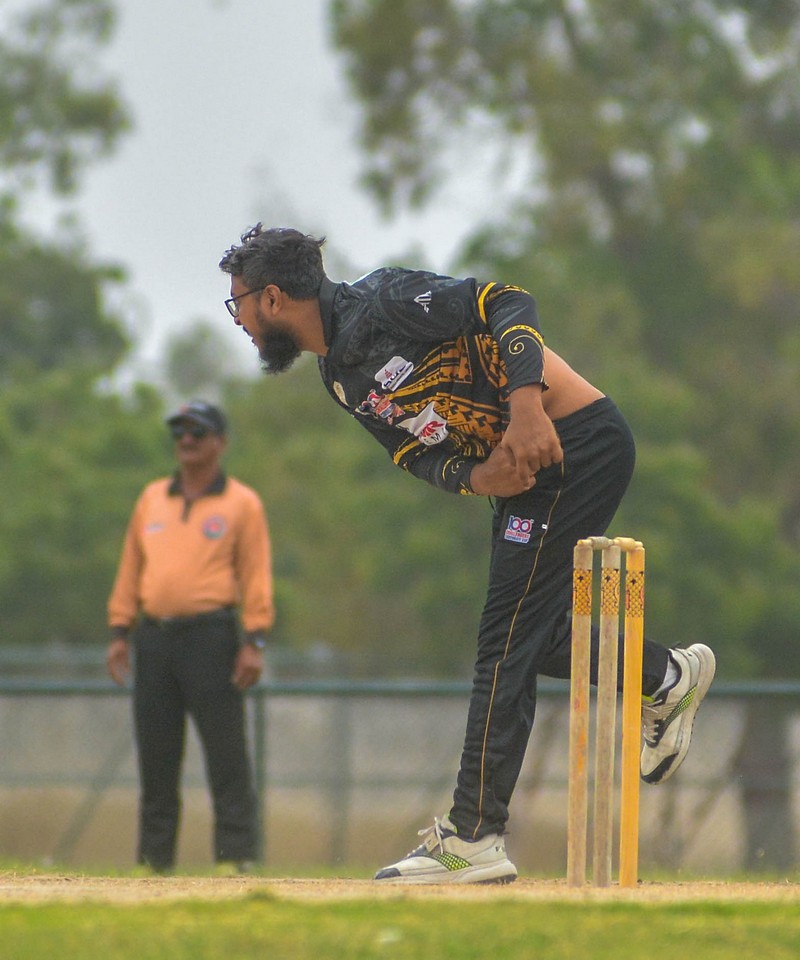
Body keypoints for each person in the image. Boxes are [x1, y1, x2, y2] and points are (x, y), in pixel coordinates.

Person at [219, 226, 715, 885]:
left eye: (239, 303)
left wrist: (527, 407)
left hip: (577, 443)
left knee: (504, 644)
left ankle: (474, 835)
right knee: (525, 638)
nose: (240, 321)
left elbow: (505, 300)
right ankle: (667, 677)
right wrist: (477, 479)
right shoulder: (339, 375)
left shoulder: (385, 300)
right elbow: (410, 451)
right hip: (525, 478)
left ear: (273, 298)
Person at [106, 399, 274, 873]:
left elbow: (255, 574)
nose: (186, 441)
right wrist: (119, 630)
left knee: (225, 752)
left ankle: (235, 857)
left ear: (219, 443)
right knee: (156, 754)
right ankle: (154, 861)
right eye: (179, 432)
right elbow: (131, 568)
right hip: (155, 638)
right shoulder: (151, 499)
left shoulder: (241, 503)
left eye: (197, 433)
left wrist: (254, 639)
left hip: (211, 637)